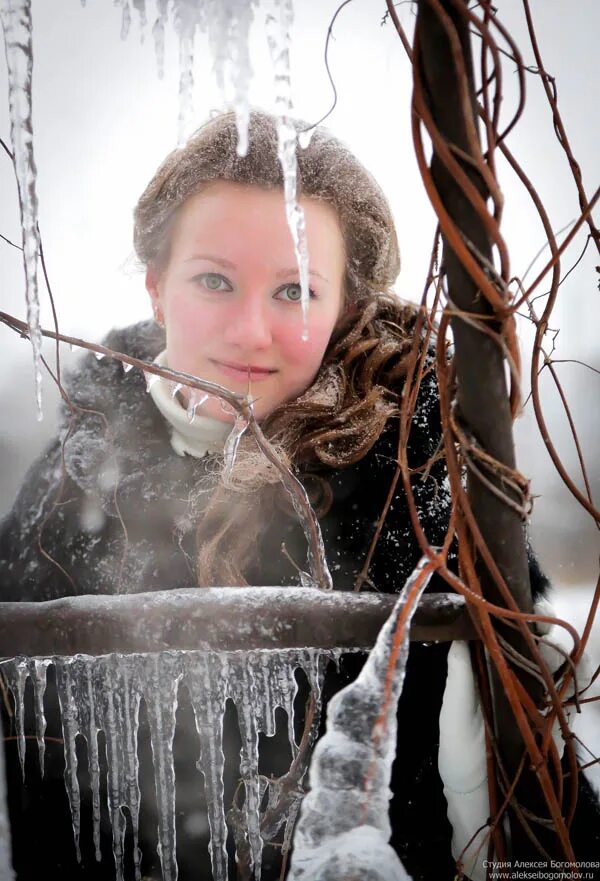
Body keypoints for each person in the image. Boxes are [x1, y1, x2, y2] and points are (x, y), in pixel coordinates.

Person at [0, 110, 598, 881]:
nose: (250, 330)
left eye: (294, 290)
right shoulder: (68, 482)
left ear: (344, 306)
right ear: (156, 288)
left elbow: (521, 802)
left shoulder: (410, 492)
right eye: (214, 280)